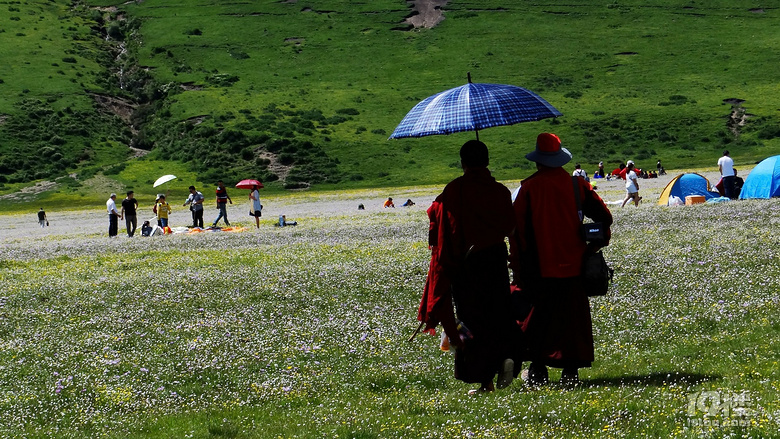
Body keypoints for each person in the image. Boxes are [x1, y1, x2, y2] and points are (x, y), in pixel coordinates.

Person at [510, 133, 613, 386]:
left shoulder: (527, 189)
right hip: (574, 265)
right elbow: (604, 217)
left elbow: (518, 232)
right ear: (559, 159)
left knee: (539, 320)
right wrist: (593, 245)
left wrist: (518, 265)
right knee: (572, 321)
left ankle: (537, 370)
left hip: (538, 267)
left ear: (538, 161)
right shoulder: (577, 186)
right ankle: (570, 373)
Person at [418, 139, 520, 394]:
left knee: (473, 319)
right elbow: (510, 228)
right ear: (487, 162)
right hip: (495, 259)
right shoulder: (500, 191)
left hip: (468, 264)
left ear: (462, 163)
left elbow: (438, 218)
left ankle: (484, 380)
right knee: (498, 313)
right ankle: (506, 356)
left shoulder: (454, 190)